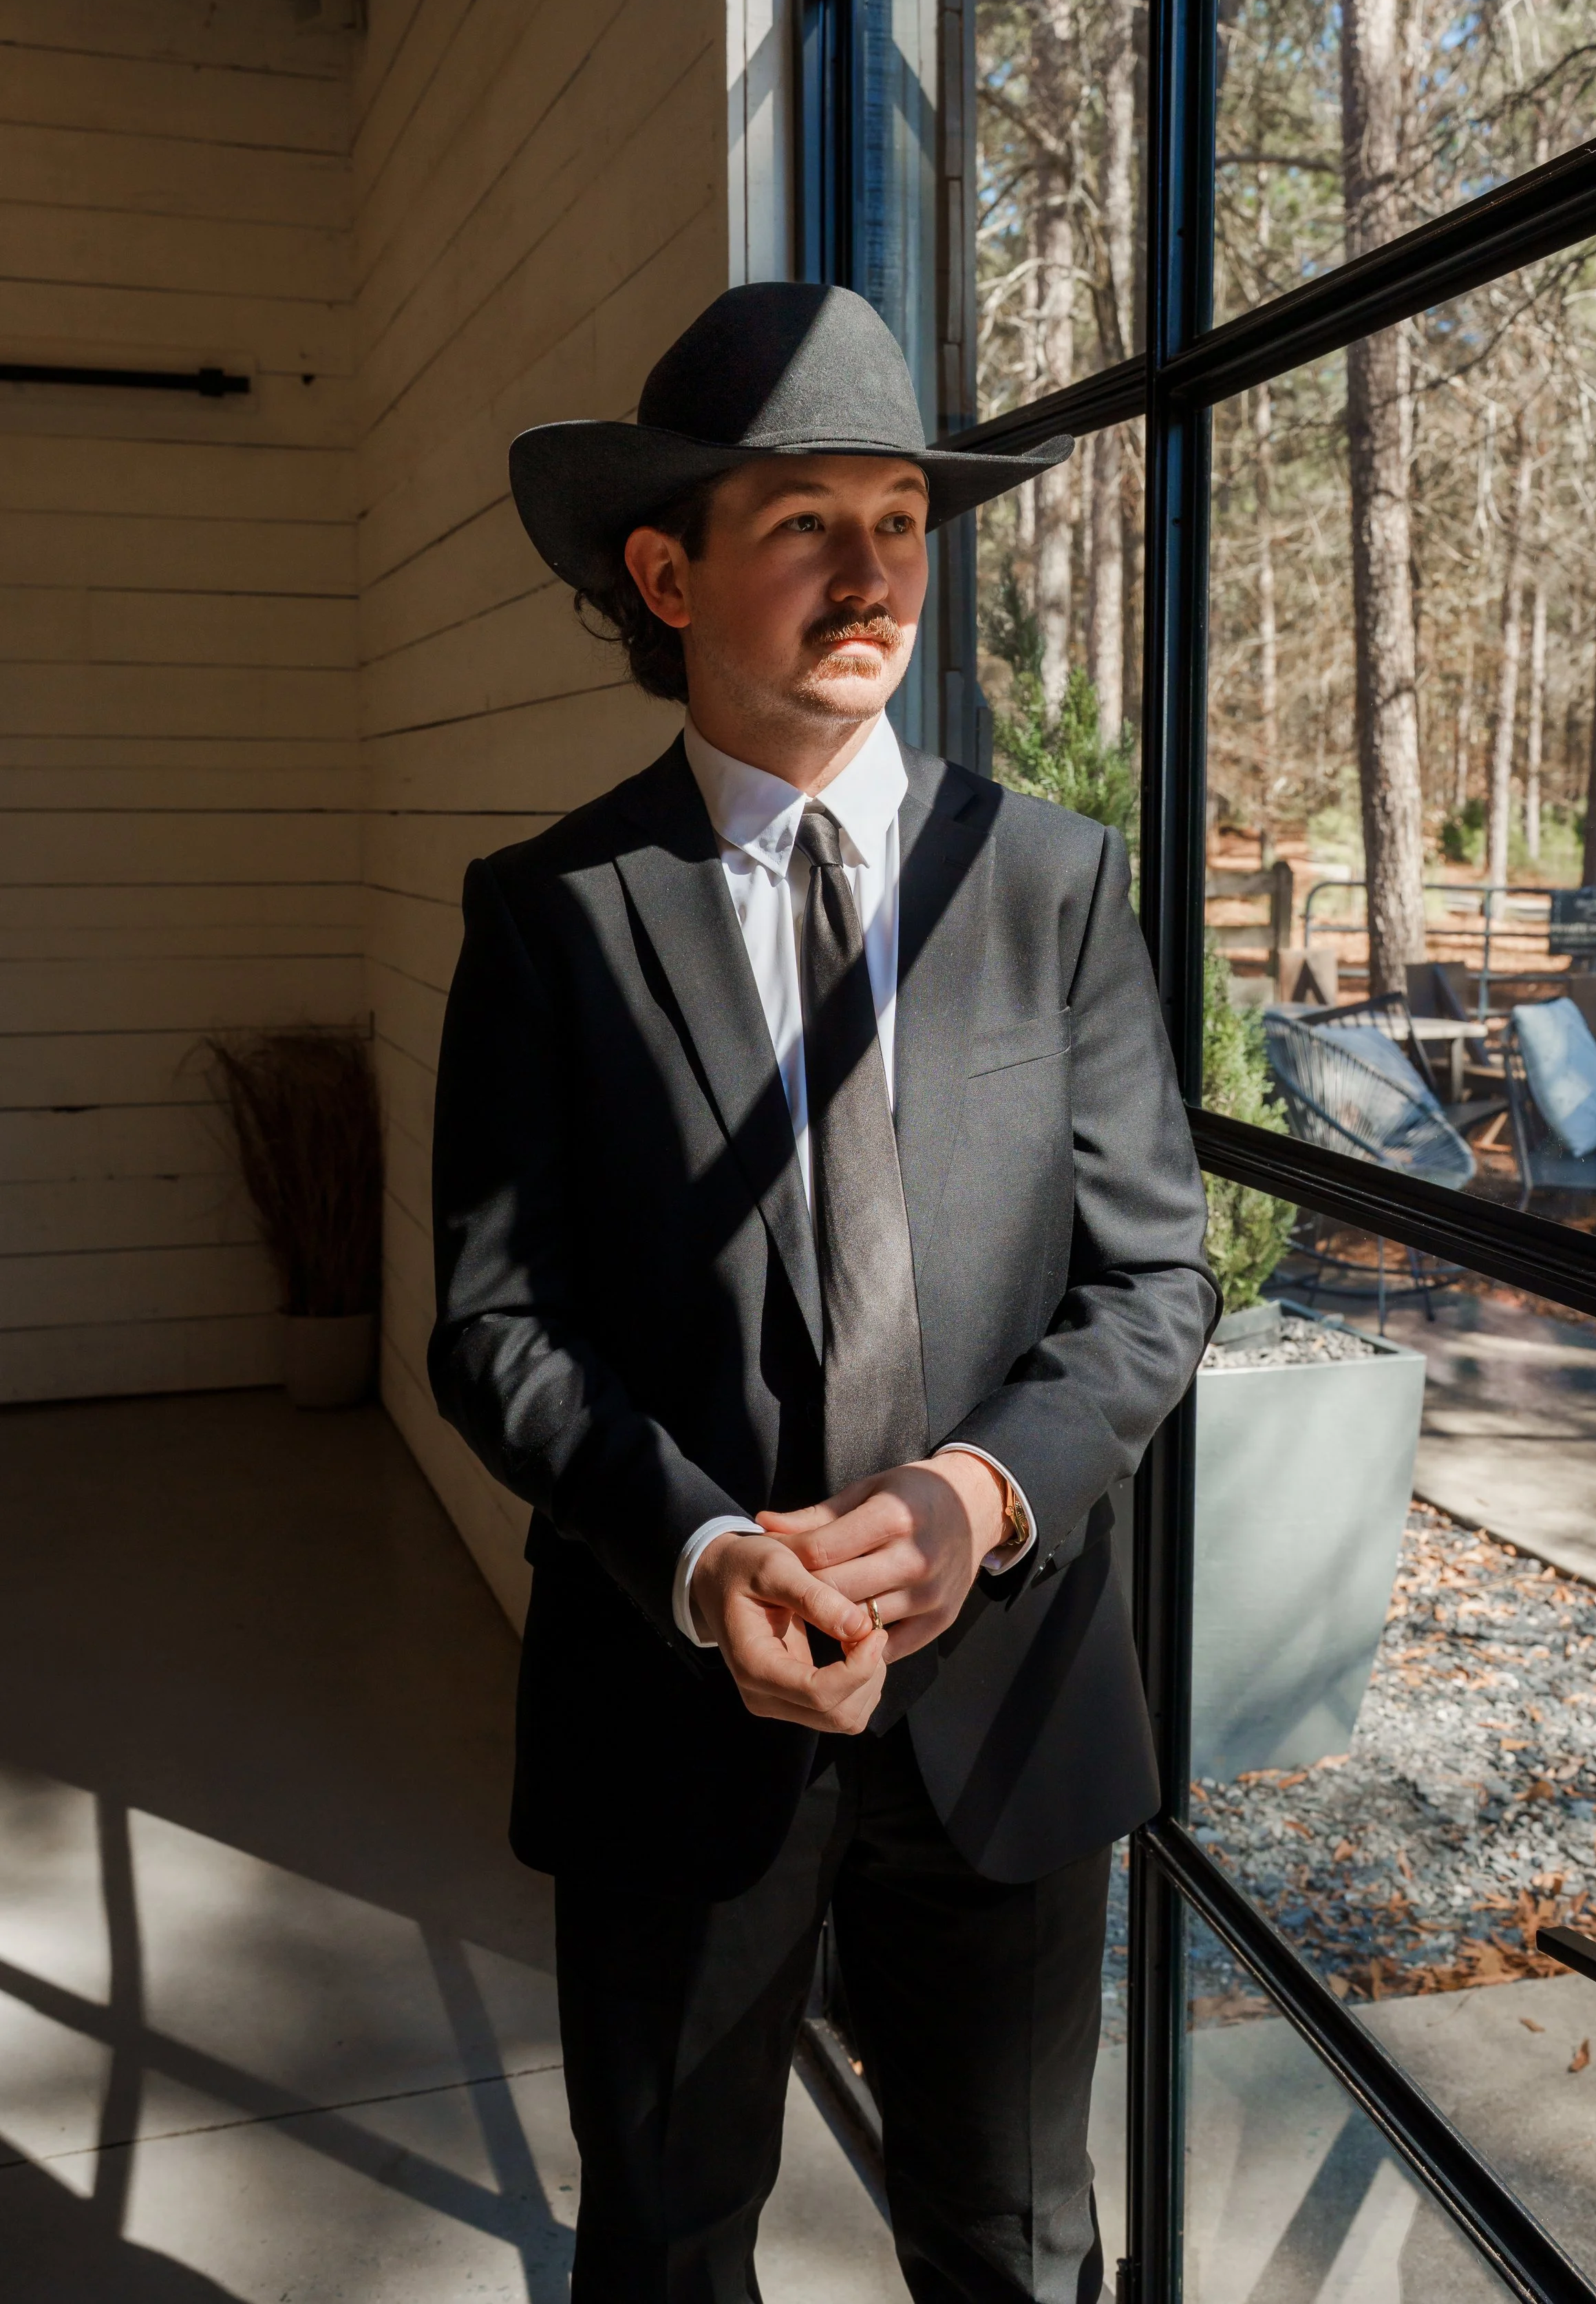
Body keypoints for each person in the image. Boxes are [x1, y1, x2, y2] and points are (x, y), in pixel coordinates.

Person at [427, 282, 1217, 2304]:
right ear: (666, 570)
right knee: (673, 2233)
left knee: (1018, 2240)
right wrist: (698, 1556)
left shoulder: (1050, 882)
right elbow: (496, 1322)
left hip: (1008, 1703)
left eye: (900, 516)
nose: (870, 569)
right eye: (803, 519)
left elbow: (1149, 1280)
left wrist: (978, 1498)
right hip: (675, 1704)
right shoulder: (551, 914)